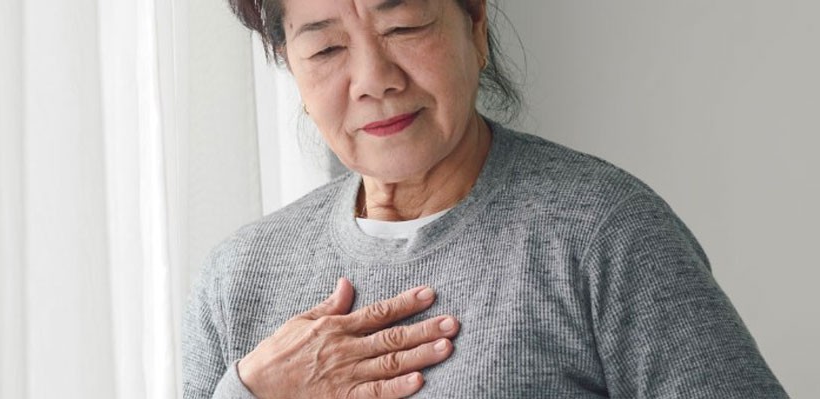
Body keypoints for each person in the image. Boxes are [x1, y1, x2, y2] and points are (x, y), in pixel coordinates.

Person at [183, 0, 789, 398]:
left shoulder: (601, 229)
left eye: (405, 26)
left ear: (475, 26)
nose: (373, 79)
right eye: (325, 49)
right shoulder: (237, 278)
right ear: (291, 67)